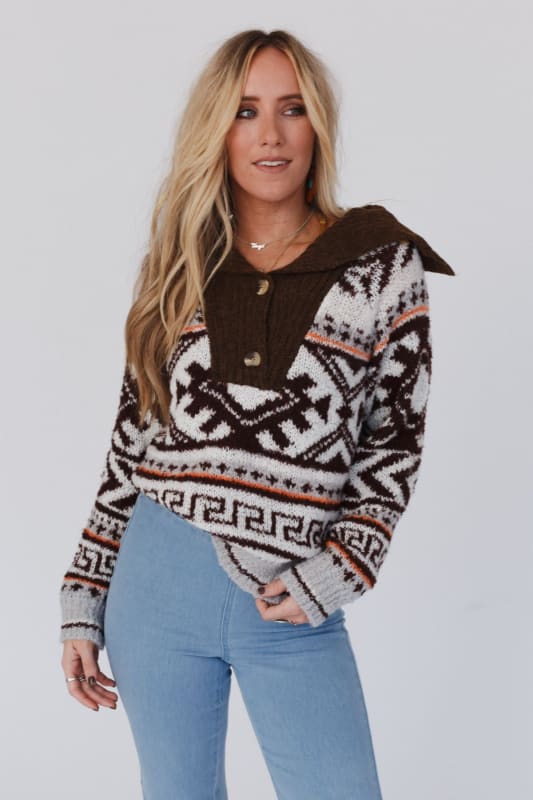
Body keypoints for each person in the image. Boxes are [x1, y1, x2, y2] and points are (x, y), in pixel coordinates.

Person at [58, 28, 455, 799]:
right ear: (216, 130)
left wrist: (342, 568)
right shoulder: (180, 263)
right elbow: (129, 445)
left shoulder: (380, 261)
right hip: (154, 584)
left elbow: (393, 444)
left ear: (318, 125)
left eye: (291, 109)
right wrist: (83, 596)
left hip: (290, 600)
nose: (269, 133)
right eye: (244, 112)